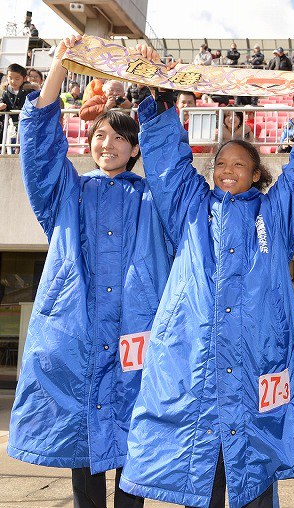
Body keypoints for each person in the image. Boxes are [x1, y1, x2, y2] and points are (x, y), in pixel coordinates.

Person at [118, 45, 294, 508]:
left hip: (257, 361)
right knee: (202, 471)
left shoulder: (275, 214)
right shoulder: (191, 207)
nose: (228, 171)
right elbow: (169, 164)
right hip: (196, 359)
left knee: (256, 467)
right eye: (222, 164)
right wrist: (158, 99)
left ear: (257, 174)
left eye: (240, 165)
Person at [8, 35, 171, 508]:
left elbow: (170, 158)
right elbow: (39, 149)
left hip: (137, 330)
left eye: (120, 137)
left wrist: (153, 83)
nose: (108, 143)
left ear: (136, 149)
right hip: (75, 332)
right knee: (83, 439)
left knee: (135, 436)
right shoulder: (68, 193)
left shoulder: (155, 198)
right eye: (100, 135)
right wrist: (60, 66)